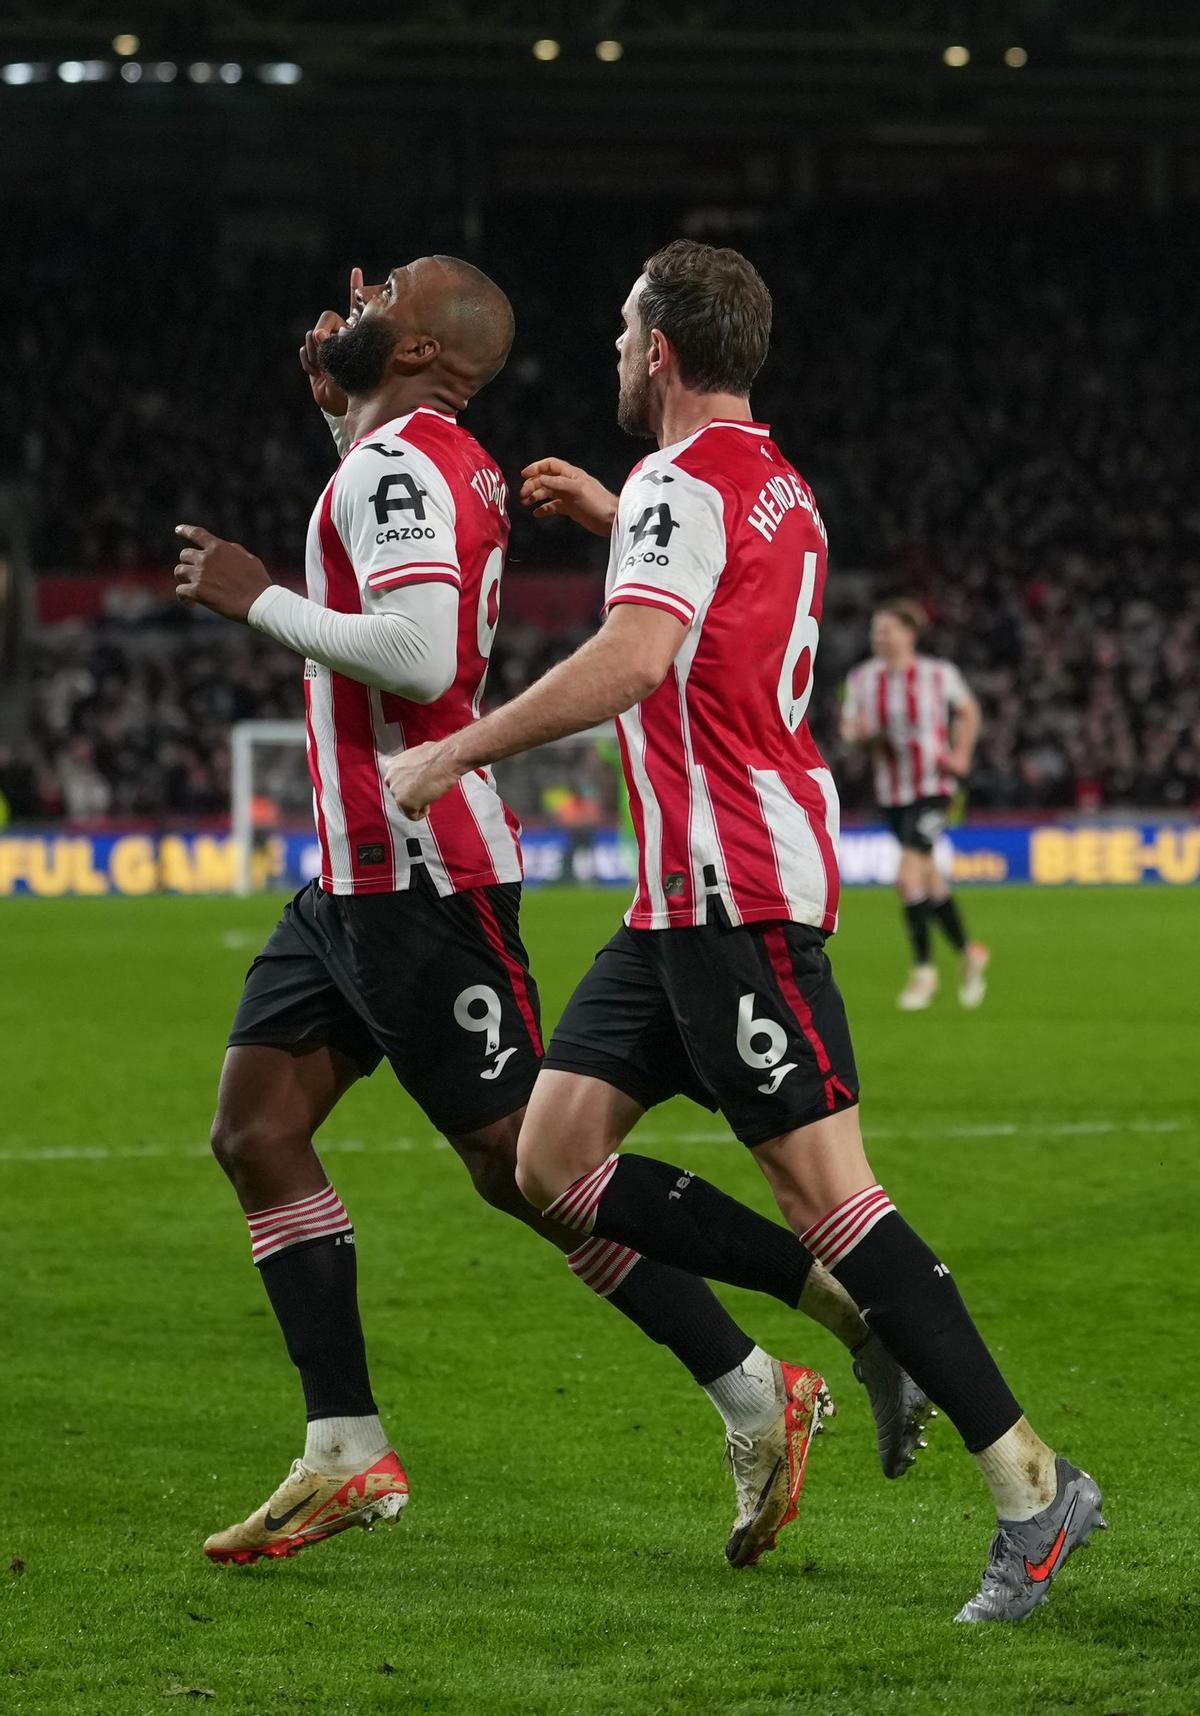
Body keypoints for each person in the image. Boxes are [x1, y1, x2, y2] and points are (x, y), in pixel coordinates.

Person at [385, 238, 1104, 1622]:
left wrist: (456, 750)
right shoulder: (768, 479)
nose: (606, 349)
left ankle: (1030, 1484)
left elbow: (644, 659)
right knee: (551, 1158)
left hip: (738, 889)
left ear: (658, 348)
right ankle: (859, 1334)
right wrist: (619, 520)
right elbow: (721, 606)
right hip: (681, 902)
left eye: (616, 326)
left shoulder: (678, 485)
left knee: (830, 1191)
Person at [172, 258, 924, 1568]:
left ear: (420, 352)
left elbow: (417, 651)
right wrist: (336, 403)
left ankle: (805, 1342)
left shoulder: (405, 465)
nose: (356, 294)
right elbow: (387, 526)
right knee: (257, 1130)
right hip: (352, 882)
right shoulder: (404, 451)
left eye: (383, 293)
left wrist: (262, 601)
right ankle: (348, 1444)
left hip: (426, 882)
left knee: (542, 1166)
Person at [841, 601, 990, 1011]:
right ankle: (969, 953)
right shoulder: (861, 679)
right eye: (875, 631)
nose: (879, 638)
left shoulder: (938, 674)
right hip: (891, 792)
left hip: (934, 786)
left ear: (909, 634)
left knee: (907, 877)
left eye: (887, 630)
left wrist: (961, 752)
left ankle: (924, 971)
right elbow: (848, 728)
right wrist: (861, 734)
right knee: (930, 879)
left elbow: (969, 710)